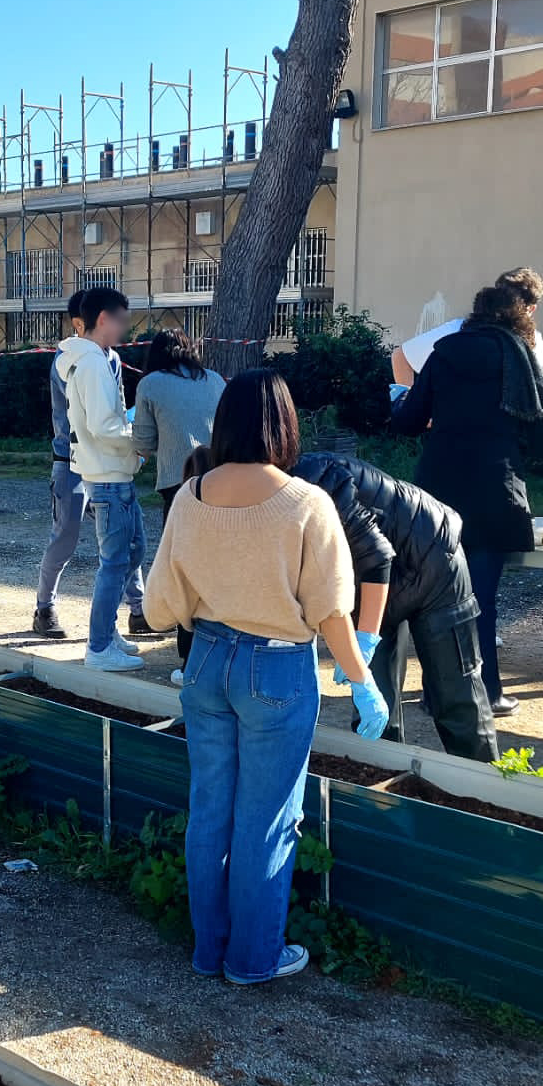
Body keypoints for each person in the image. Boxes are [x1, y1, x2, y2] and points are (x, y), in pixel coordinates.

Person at [143, 370, 378, 984]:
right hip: (276, 667)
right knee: (267, 819)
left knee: (211, 811)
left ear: (224, 422)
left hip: (205, 663)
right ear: (285, 424)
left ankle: (208, 951)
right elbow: (331, 612)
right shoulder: (306, 504)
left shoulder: (191, 495)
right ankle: (253, 959)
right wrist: (363, 682)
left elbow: (158, 607)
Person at [391, 278, 543, 717]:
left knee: (438, 596)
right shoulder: (519, 355)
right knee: (480, 600)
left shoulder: (447, 349)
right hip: (494, 491)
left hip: (437, 491)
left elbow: (408, 420)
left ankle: (436, 691)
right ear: (520, 315)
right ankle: (484, 690)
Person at [291, 448, 496, 760]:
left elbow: (376, 559)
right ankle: (382, 797)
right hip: (368, 585)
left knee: (457, 695)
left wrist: (365, 639)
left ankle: (485, 794)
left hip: (434, 559)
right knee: (374, 704)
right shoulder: (254, 502)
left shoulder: (318, 479)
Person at [33, 288, 149, 641]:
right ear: (82, 322)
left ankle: (139, 609)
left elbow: (113, 411)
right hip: (71, 462)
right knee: (66, 536)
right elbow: (97, 421)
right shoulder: (74, 360)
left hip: (105, 461)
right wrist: (135, 438)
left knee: (126, 539)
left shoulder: (109, 358)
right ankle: (44, 608)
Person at [132, 330, 226, 676]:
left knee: (184, 571)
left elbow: (143, 442)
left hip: (177, 484)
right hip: (224, 482)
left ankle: (189, 659)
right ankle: (219, 649)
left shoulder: (151, 384)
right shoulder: (215, 380)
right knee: (219, 568)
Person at [392, 267, 543, 386]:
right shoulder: (457, 330)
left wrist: (411, 409)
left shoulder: (535, 342)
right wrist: (414, 410)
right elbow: (401, 357)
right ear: (531, 309)